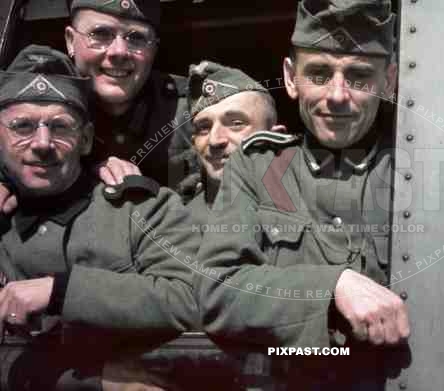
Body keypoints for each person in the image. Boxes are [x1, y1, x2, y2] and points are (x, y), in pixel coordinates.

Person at [193, 0, 409, 389]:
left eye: (359, 77)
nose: (338, 95)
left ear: (389, 81)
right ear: (291, 79)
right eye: (320, 74)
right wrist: (332, 286)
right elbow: (217, 289)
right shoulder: (257, 167)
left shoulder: (410, 171)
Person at [0, 44, 199, 390]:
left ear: (87, 139)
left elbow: (192, 296)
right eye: (23, 127)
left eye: (60, 128)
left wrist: (60, 292)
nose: (43, 143)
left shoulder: (140, 208)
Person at [0, 0, 192, 214]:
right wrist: (10, 178)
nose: (119, 52)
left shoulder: (191, 112)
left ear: (155, 48)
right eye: (100, 34)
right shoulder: (32, 104)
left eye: (137, 38)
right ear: (70, 41)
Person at [177, 60, 284, 206]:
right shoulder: (174, 222)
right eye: (204, 128)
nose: (215, 140)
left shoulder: (314, 209)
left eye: (236, 124)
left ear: (275, 139)